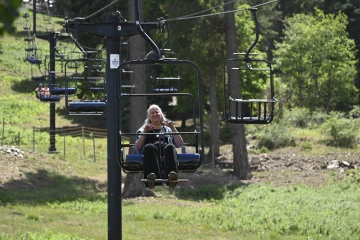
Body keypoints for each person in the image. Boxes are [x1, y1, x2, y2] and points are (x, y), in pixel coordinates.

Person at [135, 104, 183, 189]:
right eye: (152, 113)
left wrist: (172, 127)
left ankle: (172, 176)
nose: (155, 114)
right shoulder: (143, 129)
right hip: (151, 151)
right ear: (149, 117)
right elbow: (138, 147)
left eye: (157, 112)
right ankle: (152, 178)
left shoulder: (168, 129)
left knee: (171, 147)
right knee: (149, 147)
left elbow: (179, 144)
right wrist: (145, 132)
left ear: (161, 115)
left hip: (165, 151)